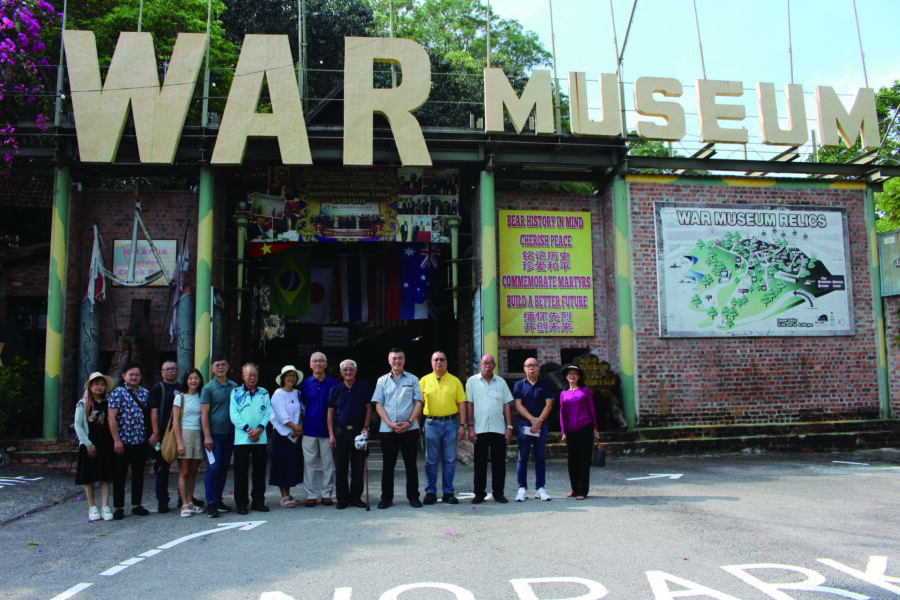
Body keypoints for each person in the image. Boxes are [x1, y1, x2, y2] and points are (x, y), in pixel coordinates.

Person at [372, 348, 423, 509]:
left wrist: (409, 422)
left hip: (409, 428)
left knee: (411, 464)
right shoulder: (382, 381)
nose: (397, 361)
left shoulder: (413, 379)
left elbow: (418, 403)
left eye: (400, 358)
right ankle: (386, 498)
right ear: (389, 361)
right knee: (388, 465)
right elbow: (378, 404)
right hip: (388, 430)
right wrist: (389, 423)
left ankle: (413, 496)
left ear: (404, 360)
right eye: (394, 358)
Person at [419, 351, 467, 505]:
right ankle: (431, 492)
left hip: (451, 423)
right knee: (431, 460)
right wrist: (417, 424)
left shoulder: (455, 381)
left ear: (446, 362)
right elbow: (418, 404)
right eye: (436, 360)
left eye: (442, 359)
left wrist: (462, 425)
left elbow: (462, 404)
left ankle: (448, 492)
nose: (439, 362)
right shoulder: (424, 381)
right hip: (431, 423)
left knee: (450, 460)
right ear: (431, 362)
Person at [465, 354, 514, 504]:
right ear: (480, 365)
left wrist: (509, 427)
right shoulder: (472, 381)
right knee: (480, 463)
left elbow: (506, 405)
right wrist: (470, 427)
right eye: (485, 363)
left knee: (499, 463)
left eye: (491, 363)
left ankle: (498, 493)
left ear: (494, 365)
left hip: (498, 429)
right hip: (479, 429)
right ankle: (479, 493)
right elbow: (469, 405)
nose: (488, 365)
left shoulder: (501, 382)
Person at [107, 362, 151, 519]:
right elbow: (111, 417)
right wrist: (116, 440)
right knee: (120, 475)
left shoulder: (145, 393)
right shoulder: (118, 393)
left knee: (138, 474)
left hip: (140, 440)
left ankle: (137, 504)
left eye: (136, 375)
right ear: (124, 376)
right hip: (123, 441)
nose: (134, 377)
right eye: (131, 375)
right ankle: (119, 507)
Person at [327, 359, 372, 509]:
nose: (348, 372)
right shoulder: (335, 389)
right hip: (340, 432)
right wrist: (331, 434)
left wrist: (366, 428)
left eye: (351, 369)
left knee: (358, 467)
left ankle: (356, 498)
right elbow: (330, 413)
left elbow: (368, 408)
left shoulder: (364, 387)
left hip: (358, 431)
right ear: (341, 372)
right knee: (341, 468)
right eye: (345, 369)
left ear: (355, 371)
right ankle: (342, 498)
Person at [230, 363, 272, 514]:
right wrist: (248, 429)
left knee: (259, 472)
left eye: (255, 375)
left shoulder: (264, 393)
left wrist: (259, 429)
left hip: (260, 438)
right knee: (241, 473)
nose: (252, 378)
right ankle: (241, 503)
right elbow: (234, 415)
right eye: (249, 375)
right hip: (242, 439)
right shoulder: (235, 392)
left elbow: (268, 413)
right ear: (243, 376)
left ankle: (258, 501)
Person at [74, 372, 115, 522]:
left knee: (105, 476)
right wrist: (87, 443)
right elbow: (78, 425)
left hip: (105, 443)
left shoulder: (108, 403)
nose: (99, 387)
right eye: (96, 384)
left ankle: (105, 506)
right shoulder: (83, 404)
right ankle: (92, 506)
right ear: (90, 387)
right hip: (90, 444)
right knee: (89, 477)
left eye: (102, 384)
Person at [201, 355, 239, 518]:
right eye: (217, 365)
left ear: (228, 367)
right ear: (212, 369)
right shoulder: (208, 388)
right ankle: (211, 503)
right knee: (213, 468)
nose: (220, 368)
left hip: (230, 434)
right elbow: (204, 414)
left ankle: (218, 499)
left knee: (223, 468)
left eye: (223, 364)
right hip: (214, 436)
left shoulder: (234, 386)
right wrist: (207, 436)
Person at [299, 352, 338, 506]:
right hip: (309, 429)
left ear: (325, 364)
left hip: (328, 430)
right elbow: (302, 406)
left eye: (321, 361)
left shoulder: (333, 384)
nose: (318, 364)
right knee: (309, 464)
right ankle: (311, 494)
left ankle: (326, 493)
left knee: (328, 464)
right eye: (314, 361)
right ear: (310, 365)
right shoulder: (305, 384)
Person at [513, 358, 555, 502]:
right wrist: (532, 419)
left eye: (534, 365)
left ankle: (540, 488)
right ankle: (522, 488)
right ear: (524, 369)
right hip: (524, 424)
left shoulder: (546, 385)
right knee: (523, 457)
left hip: (541, 425)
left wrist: (539, 421)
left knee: (540, 456)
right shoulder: (519, 385)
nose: (531, 368)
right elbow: (518, 405)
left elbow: (549, 404)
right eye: (528, 366)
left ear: (538, 368)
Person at [148, 360, 184, 514]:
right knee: (163, 467)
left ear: (178, 371)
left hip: (182, 432)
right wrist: (156, 432)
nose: (170, 371)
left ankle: (184, 497)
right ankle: (162, 500)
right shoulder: (158, 388)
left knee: (184, 467)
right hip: (164, 433)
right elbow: (153, 411)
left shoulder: (182, 387)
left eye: (173, 369)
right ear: (162, 372)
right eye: (167, 369)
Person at [559, 365, 599, 500]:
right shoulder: (563, 393)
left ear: (579, 376)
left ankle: (582, 490)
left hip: (585, 427)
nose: (572, 375)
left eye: (575, 373)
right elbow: (562, 414)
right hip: (570, 430)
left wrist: (595, 428)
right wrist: (563, 431)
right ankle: (575, 489)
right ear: (566, 377)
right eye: (570, 373)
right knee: (572, 461)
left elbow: (592, 409)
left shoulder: (585, 390)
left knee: (583, 460)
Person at [269, 365, 305, 508]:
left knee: (291, 465)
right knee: (281, 465)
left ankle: (289, 493)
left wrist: (300, 427)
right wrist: (295, 428)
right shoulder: (278, 394)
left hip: (295, 436)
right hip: (282, 434)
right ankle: (283, 496)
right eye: (288, 375)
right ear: (283, 378)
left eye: (293, 375)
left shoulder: (298, 393)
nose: (291, 378)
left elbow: (302, 411)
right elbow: (281, 416)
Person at [172, 369, 206, 517]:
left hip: (198, 434)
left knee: (193, 471)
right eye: (190, 378)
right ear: (186, 380)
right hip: (185, 434)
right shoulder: (180, 397)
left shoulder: (201, 396)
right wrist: (179, 442)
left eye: (196, 378)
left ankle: (191, 501)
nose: (193, 381)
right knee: (184, 471)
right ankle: (184, 503)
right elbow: (175, 421)